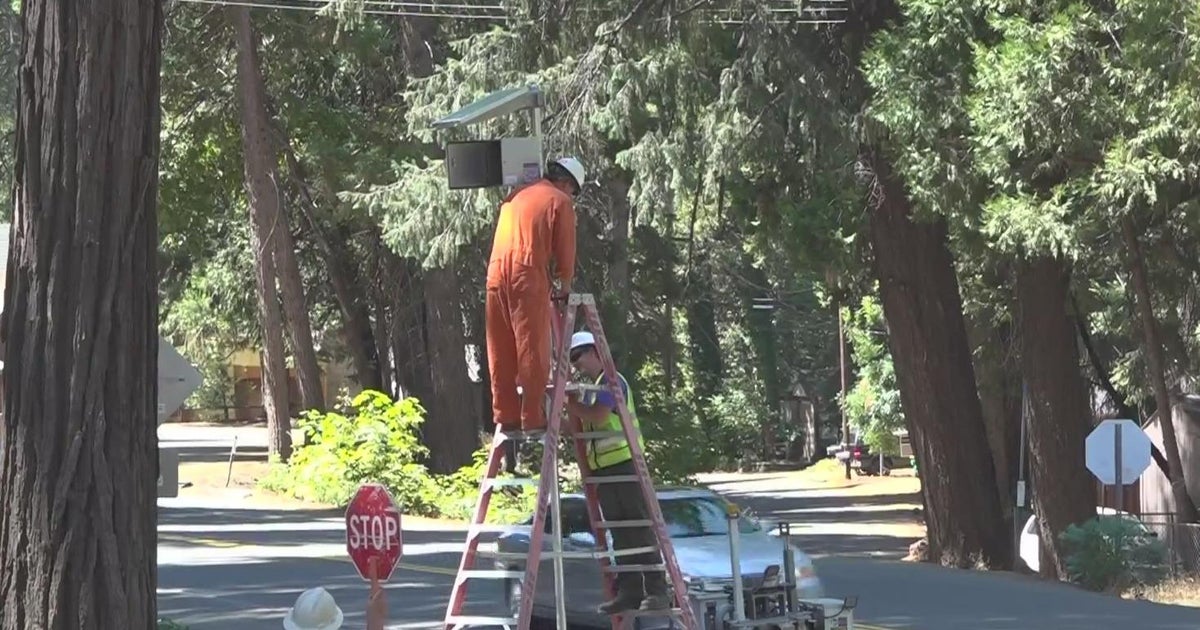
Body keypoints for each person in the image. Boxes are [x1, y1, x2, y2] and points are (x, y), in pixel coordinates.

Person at [486, 156, 583, 469]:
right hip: (527, 275)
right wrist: (565, 285)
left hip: (495, 276)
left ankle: (506, 415)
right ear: (568, 184)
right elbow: (565, 249)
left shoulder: (513, 198)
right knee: (533, 347)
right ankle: (532, 418)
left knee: (500, 349)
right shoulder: (559, 201)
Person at [564, 331, 670, 614]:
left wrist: (569, 402)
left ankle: (658, 591)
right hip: (605, 470)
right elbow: (584, 426)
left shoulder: (613, 381)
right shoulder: (592, 387)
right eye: (572, 360)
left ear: (595, 352)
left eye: (578, 357)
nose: (576, 365)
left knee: (639, 528)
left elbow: (599, 416)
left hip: (626, 464)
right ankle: (630, 591)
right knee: (621, 534)